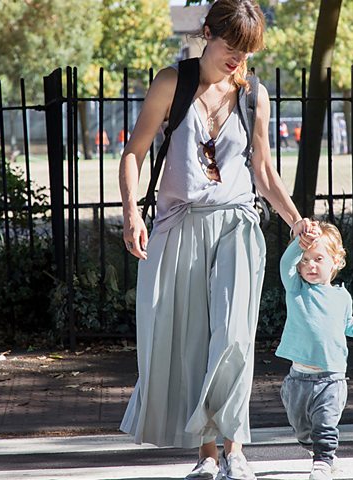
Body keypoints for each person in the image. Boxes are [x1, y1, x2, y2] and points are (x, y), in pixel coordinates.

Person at [118, 1, 312, 479]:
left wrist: (294, 219)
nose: (238, 60)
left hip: (237, 226)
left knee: (234, 337)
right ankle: (207, 455)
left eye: (247, 51)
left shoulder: (253, 95)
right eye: (232, 46)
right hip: (179, 226)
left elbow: (264, 171)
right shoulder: (173, 83)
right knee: (193, 343)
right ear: (207, 32)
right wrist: (129, 214)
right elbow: (133, 152)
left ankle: (236, 448)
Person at [276, 221, 353, 480]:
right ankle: (316, 451)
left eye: (318, 258)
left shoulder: (342, 297)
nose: (310, 265)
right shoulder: (296, 290)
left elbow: (349, 324)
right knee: (302, 431)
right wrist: (300, 241)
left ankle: (323, 460)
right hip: (298, 379)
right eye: (305, 260)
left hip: (331, 378)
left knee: (326, 424)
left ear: (335, 262)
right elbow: (286, 263)